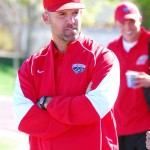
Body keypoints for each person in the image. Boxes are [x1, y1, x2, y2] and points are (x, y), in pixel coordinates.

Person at [13, 0, 120, 149]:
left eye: (75, 13)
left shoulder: (103, 58)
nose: (71, 20)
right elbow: (23, 118)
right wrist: (80, 112)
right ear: (46, 18)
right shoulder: (30, 67)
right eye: (62, 14)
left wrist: (48, 103)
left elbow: (96, 106)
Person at [107, 1, 150, 150]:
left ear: (139, 19)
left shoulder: (149, 42)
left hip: (146, 127)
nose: (127, 27)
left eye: (131, 22)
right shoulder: (111, 48)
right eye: (123, 23)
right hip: (119, 126)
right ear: (116, 24)